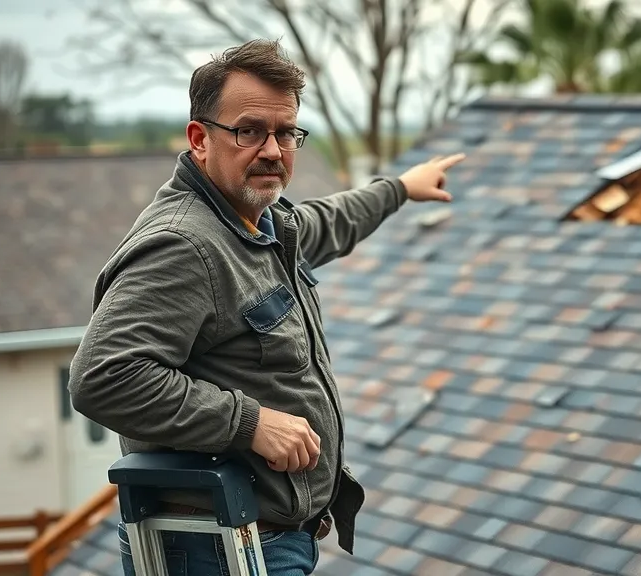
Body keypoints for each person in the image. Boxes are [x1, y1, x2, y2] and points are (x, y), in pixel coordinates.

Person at [67, 38, 464, 576]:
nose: (274, 150)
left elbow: (327, 221)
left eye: (286, 132)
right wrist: (250, 423)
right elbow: (104, 377)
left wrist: (399, 188)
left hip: (266, 541)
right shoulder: (186, 246)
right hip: (219, 551)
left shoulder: (259, 223)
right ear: (200, 138)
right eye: (250, 130)